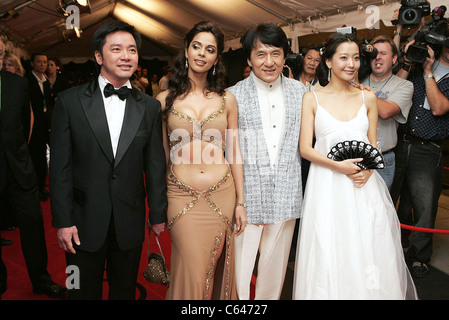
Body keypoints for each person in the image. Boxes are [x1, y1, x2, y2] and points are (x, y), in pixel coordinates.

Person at [292, 32, 417, 299]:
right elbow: (305, 148)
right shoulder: (311, 99)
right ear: (328, 62)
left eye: (357, 58)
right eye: (344, 58)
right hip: (326, 185)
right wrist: (337, 166)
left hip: (362, 185)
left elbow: (372, 146)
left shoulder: (367, 98)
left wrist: (369, 169)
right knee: (329, 246)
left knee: (367, 246)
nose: (352, 64)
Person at [50, 21, 167, 300]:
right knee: (78, 290)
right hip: (81, 221)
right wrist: (63, 221)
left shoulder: (149, 107)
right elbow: (60, 168)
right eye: (117, 49)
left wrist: (158, 213)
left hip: (129, 220)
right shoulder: (69, 102)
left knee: (123, 291)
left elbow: (154, 163)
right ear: (99, 56)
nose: (126, 56)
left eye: (132, 50)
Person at [157, 20, 246, 300]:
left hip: (222, 194)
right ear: (186, 49)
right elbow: (161, 156)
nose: (201, 54)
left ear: (217, 57)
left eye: (210, 49)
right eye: (196, 46)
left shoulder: (227, 100)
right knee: (191, 270)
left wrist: (241, 201)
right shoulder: (164, 100)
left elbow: (234, 152)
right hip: (180, 197)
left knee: (212, 269)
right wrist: (157, 204)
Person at [227, 23, 306, 300]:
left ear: (285, 56)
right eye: (261, 54)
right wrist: (238, 199)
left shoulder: (303, 94)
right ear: (249, 59)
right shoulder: (232, 96)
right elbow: (229, 150)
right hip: (244, 200)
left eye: (276, 53)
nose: (269, 62)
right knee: (237, 273)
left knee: (274, 276)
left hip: (286, 195)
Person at [0, 38, 68, 299]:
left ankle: (41, 280)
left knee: (33, 227)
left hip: (20, 170)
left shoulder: (17, 84)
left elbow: (26, 124)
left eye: (2, 53)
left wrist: (20, 156)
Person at [391, 28, 449, 278]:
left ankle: (419, 256)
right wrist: (408, 60)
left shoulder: (432, 72)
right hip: (400, 142)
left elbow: (438, 108)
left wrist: (428, 72)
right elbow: (396, 87)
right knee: (396, 202)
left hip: (428, 149)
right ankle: (395, 245)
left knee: (424, 207)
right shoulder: (415, 63)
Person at [360, 35, 413, 190]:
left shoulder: (404, 85)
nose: (378, 57)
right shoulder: (359, 82)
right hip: (356, 157)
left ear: (394, 58)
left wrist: (357, 89)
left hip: (383, 159)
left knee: (380, 211)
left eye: (383, 53)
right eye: (374, 53)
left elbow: (386, 111)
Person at [26, 52, 51, 201]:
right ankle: (36, 190)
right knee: (35, 158)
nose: (42, 64)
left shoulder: (45, 81)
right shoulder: (27, 80)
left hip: (44, 124)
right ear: (32, 64)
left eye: (44, 62)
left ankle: (41, 187)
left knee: (42, 158)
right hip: (33, 124)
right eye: (39, 62)